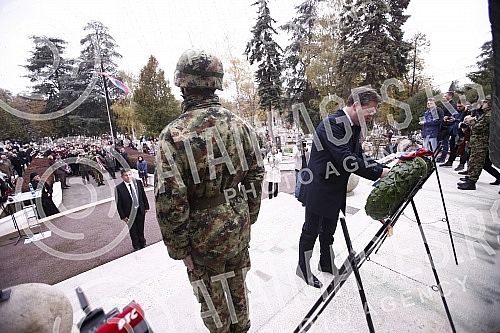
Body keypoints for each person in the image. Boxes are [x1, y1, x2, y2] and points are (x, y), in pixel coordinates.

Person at [155, 49, 264, 333]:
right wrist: (248, 216)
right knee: (239, 293)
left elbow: (170, 199)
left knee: (214, 306)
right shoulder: (240, 125)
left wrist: (180, 249)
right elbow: (256, 173)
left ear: (183, 84)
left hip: (201, 240)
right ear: (217, 83)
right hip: (237, 226)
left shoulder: (173, 134)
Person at [297, 87, 389, 288]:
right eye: (370, 111)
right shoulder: (332, 124)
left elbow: (358, 156)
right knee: (311, 230)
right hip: (319, 186)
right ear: (356, 105)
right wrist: (378, 173)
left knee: (329, 229)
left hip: (335, 187)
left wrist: (381, 167)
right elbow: (347, 160)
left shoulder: (353, 125)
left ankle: (326, 262)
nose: (371, 116)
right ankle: (303, 268)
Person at [457, 96, 500, 190]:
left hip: (481, 143)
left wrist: (470, 122)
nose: (482, 104)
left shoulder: (489, 115)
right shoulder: (486, 114)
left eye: (485, 102)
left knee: (476, 161)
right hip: (479, 142)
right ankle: (471, 180)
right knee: (481, 163)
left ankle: (471, 182)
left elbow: (477, 128)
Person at [115, 169, 150, 250]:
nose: (128, 177)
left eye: (130, 174)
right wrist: (123, 216)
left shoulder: (138, 183)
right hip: (129, 213)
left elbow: (143, 195)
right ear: (122, 177)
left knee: (140, 228)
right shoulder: (118, 188)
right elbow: (119, 204)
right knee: (133, 230)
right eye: (126, 175)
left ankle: (143, 243)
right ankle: (136, 245)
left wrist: (146, 206)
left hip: (140, 210)